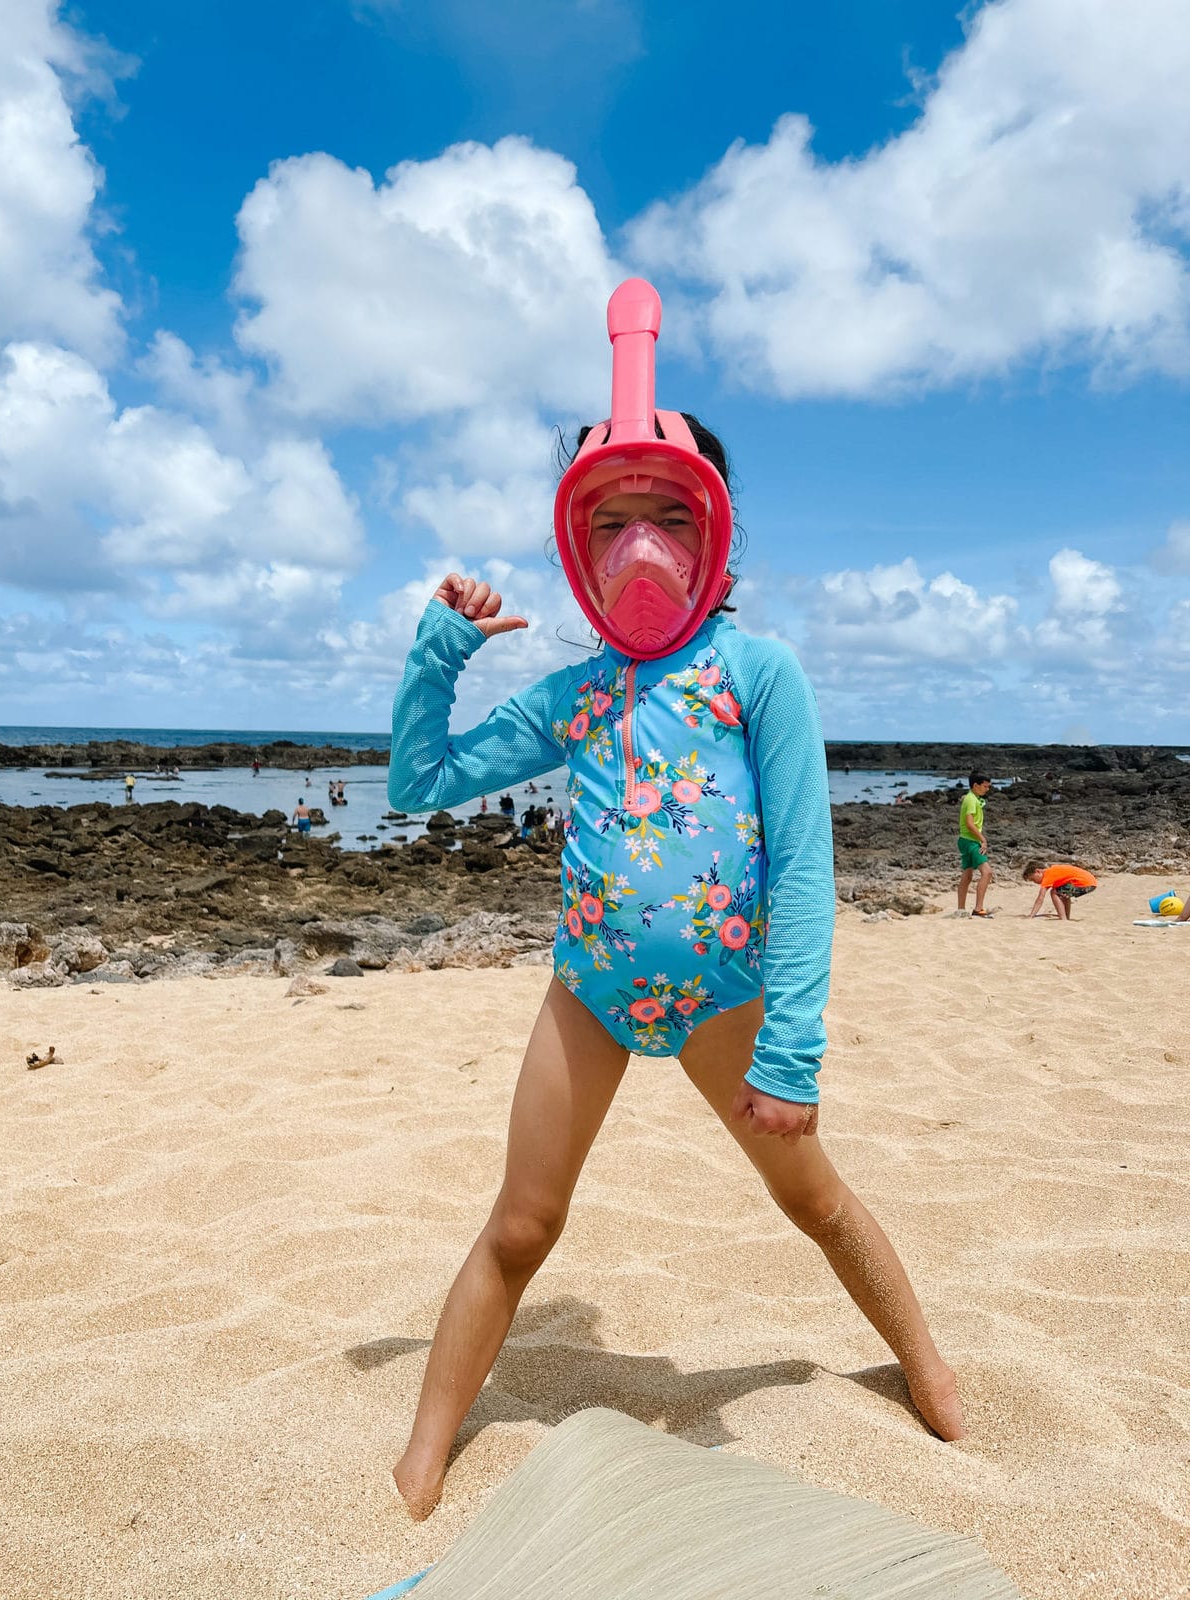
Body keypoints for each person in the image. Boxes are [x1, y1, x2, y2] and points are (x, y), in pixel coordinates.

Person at [386, 278, 963, 1521]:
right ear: (577, 543)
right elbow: (420, 778)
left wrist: (796, 1047)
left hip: (728, 997)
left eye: (670, 517)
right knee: (523, 1224)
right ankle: (428, 1443)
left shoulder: (759, 674)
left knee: (812, 1195)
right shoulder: (579, 693)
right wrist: (444, 649)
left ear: (717, 533)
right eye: (614, 521)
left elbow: (806, 866)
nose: (642, 545)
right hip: (590, 989)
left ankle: (927, 1366)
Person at [957, 771, 993, 917]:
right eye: (985, 786)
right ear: (975, 785)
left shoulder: (973, 798)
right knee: (987, 872)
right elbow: (970, 823)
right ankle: (978, 909)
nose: (987, 789)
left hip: (964, 840)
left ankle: (961, 909)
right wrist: (982, 839)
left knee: (967, 875)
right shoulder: (971, 799)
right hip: (971, 841)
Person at [1022, 861, 1097, 920]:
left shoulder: (1048, 875)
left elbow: (1040, 898)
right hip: (1091, 883)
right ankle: (1066, 916)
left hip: (1086, 884)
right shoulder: (1052, 872)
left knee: (1054, 892)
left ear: (1038, 871)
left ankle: (1063, 918)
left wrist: (1031, 916)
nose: (1034, 882)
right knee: (1062, 892)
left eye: (1033, 879)